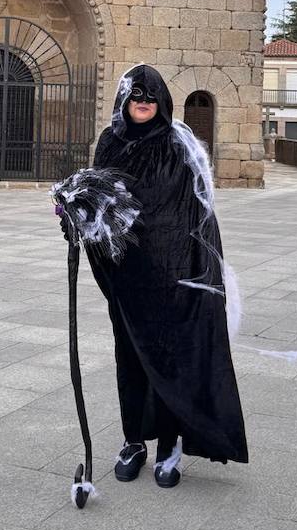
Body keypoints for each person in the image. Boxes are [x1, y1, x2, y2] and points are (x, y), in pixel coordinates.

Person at [76, 64, 248, 489]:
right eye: (137, 97)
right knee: (130, 358)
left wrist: (199, 275)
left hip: (172, 274)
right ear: (124, 100)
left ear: (162, 102)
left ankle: (169, 446)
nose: (143, 103)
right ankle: (134, 441)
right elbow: (101, 199)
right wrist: (74, 211)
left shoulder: (178, 142)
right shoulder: (110, 141)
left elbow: (198, 211)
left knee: (171, 358)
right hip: (128, 276)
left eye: (151, 98)